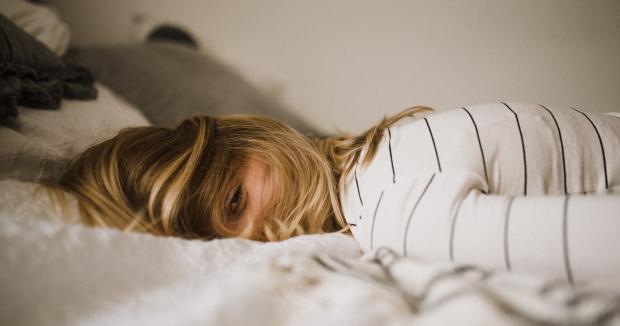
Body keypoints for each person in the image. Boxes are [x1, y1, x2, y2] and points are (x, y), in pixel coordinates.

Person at [58, 103, 620, 281]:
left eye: (235, 202)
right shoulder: (378, 162)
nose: (256, 237)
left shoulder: (392, 207)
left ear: (251, 137)